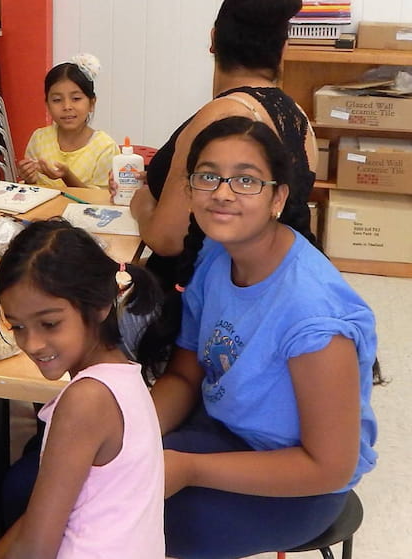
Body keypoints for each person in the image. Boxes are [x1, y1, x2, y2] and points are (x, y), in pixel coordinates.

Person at [155, 116, 377, 559]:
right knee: (55, 468)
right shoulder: (218, 255)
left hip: (299, 485)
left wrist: (189, 469)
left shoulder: (313, 315)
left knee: (115, 515)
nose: (222, 192)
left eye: (245, 180)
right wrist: (134, 431)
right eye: (209, 176)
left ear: (278, 197)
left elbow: (329, 467)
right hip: (225, 430)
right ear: (189, 187)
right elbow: (185, 374)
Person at [128, 0, 319, 373]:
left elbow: (167, 238)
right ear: (282, 50)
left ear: (213, 38)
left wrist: (142, 203)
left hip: (197, 308)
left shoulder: (219, 118)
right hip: (268, 299)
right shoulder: (300, 121)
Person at [0, 219, 166, 559]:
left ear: (100, 304)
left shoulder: (85, 400)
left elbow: (35, 549)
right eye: (18, 326)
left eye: (50, 323)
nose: (32, 343)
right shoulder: (126, 377)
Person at [17, 54, 117, 189]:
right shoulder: (39, 139)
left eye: (76, 98)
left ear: (92, 103)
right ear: (47, 105)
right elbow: (33, 190)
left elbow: (101, 201)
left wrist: (67, 176)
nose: (67, 106)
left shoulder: (105, 148)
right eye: (57, 100)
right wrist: (29, 179)